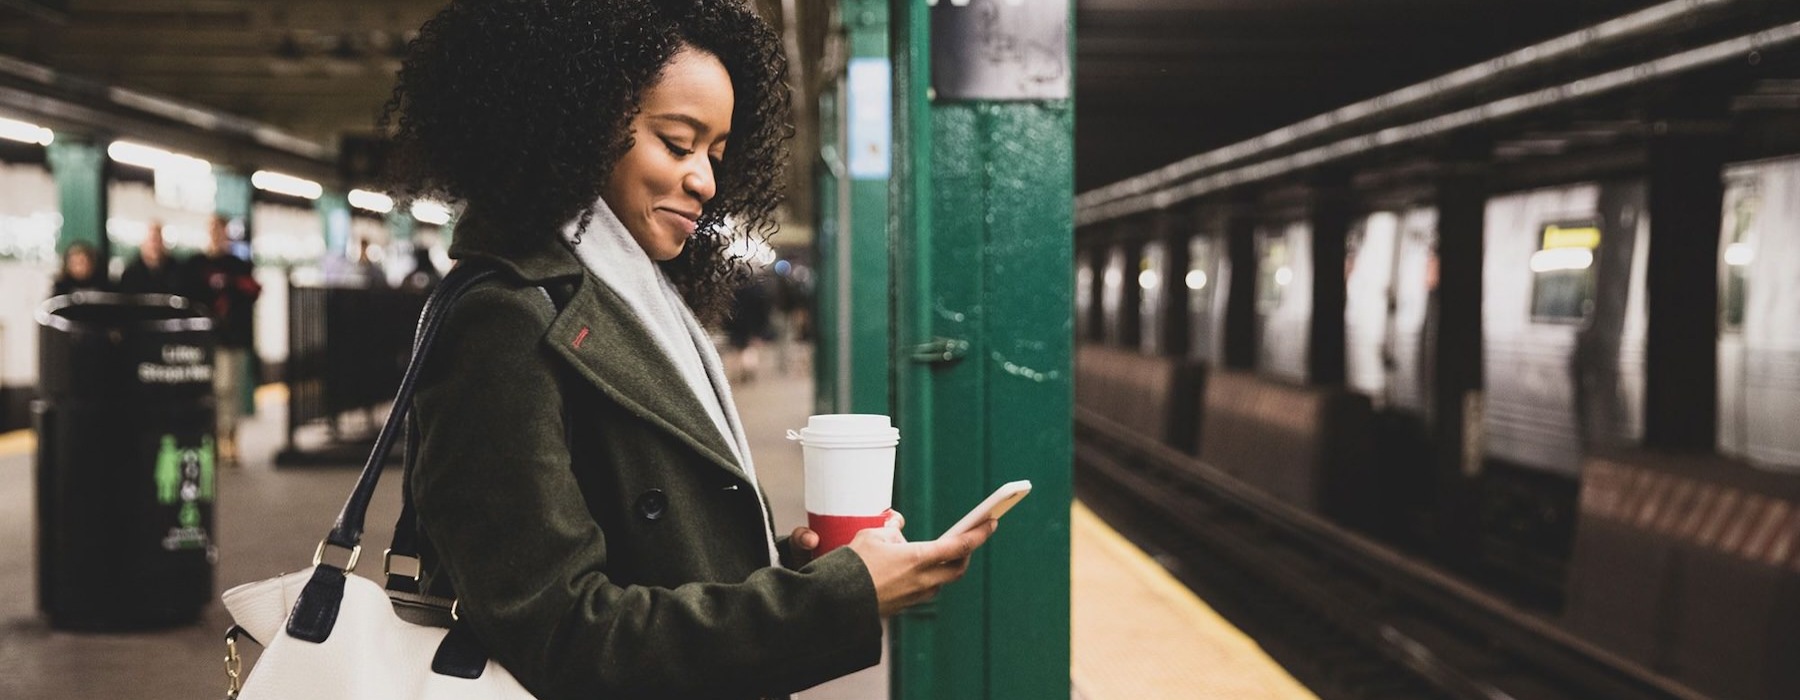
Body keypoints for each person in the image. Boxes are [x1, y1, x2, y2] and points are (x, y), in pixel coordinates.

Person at [384, 2, 996, 698]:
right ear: (579, 125)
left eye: (716, 154)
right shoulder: (504, 321)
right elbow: (560, 637)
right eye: (677, 144)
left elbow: (658, 560)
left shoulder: (639, 300)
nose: (705, 181)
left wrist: (795, 572)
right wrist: (834, 600)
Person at [185, 214, 261, 467]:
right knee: (213, 390)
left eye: (220, 230)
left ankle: (230, 438)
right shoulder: (196, 265)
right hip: (206, 338)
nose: (216, 235)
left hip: (232, 338)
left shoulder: (238, 265)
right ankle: (215, 437)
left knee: (230, 389)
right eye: (212, 230)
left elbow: (253, 291)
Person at [119, 221, 184, 295]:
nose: (154, 245)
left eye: (158, 240)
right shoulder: (132, 272)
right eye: (152, 240)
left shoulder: (175, 270)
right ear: (143, 243)